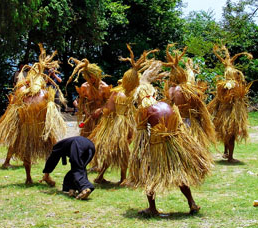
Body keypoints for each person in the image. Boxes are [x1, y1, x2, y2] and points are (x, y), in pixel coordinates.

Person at [125, 60, 213, 216]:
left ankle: (152, 209)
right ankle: (192, 203)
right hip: (174, 146)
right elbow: (179, 128)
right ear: (152, 95)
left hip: (157, 147)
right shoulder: (165, 105)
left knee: (149, 175)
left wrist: (140, 157)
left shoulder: (144, 111)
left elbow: (142, 138)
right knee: (178, 173)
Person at [0, 43, 66, 185]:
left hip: (42, 129)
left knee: (51, 151)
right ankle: (29, 177)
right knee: (27, 153)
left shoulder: (44, 93)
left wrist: (50, 127)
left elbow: (50, 114)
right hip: (27, 128)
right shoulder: (23, 92)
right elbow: (14, 112)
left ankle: (45, 175)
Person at [88, 44, 156, 184]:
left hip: (114, 124)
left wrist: (105, 117)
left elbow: (109, 109)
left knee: (115, 150)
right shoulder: (134, 94)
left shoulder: (116, 92)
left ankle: (102, 175)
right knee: (122, 150)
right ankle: (122, 178)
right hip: (124, 125)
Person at [163, 44, 215, 149]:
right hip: (188, 120)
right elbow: (197, 103)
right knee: (192, 145)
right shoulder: (186, 89)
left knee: (180, 145)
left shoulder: (170, 91)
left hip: (176, 121)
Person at [208, 45, 253, 163]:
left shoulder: (221, 86)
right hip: (231, 113)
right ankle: (230, 157)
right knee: (231, 134)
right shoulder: (235, 86)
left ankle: (226, 152)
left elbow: (218, 99)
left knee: (225, 132)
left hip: (223, 113)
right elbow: (237, 100)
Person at [67, 58, 111, 137]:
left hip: (101, 117)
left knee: (99, 139)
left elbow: (110, 102)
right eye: (88, 77)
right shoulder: (84, 86)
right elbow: (81, 102)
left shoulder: (104, 87)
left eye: (92, 77)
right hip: (89, 117)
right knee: (87, 138)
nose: (90, 79)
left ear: (97, 75)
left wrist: (100, 109)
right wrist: (85, 110)